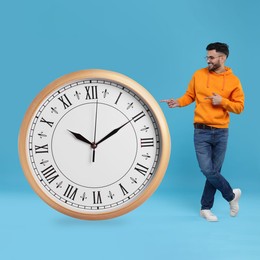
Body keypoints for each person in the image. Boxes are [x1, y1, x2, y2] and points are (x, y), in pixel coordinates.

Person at [161, 42, 244, 222]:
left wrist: (222, 101)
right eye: (206, 57)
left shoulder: (233, 81)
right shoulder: (199, 75)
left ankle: (205, 208)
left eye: (211, 57)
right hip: (201, 132)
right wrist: (178, 102)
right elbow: (190, 95)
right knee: (207, 170)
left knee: (214, 170)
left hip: (221, 132)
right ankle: (231, 195)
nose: (208, 60)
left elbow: (239, 107)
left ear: (222, 58)